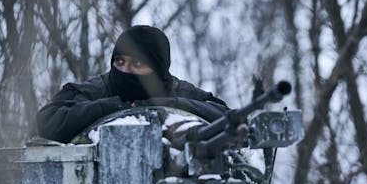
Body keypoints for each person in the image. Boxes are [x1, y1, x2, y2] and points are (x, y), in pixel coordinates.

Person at [36, 25, 228, 142]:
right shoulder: (98, 89)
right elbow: (47, 120)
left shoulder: (177, 90)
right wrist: (110, 108)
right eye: (120, 61)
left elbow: (226, 118)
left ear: (157, 68)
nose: (125, 70)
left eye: (137, 63)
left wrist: (169, 106)